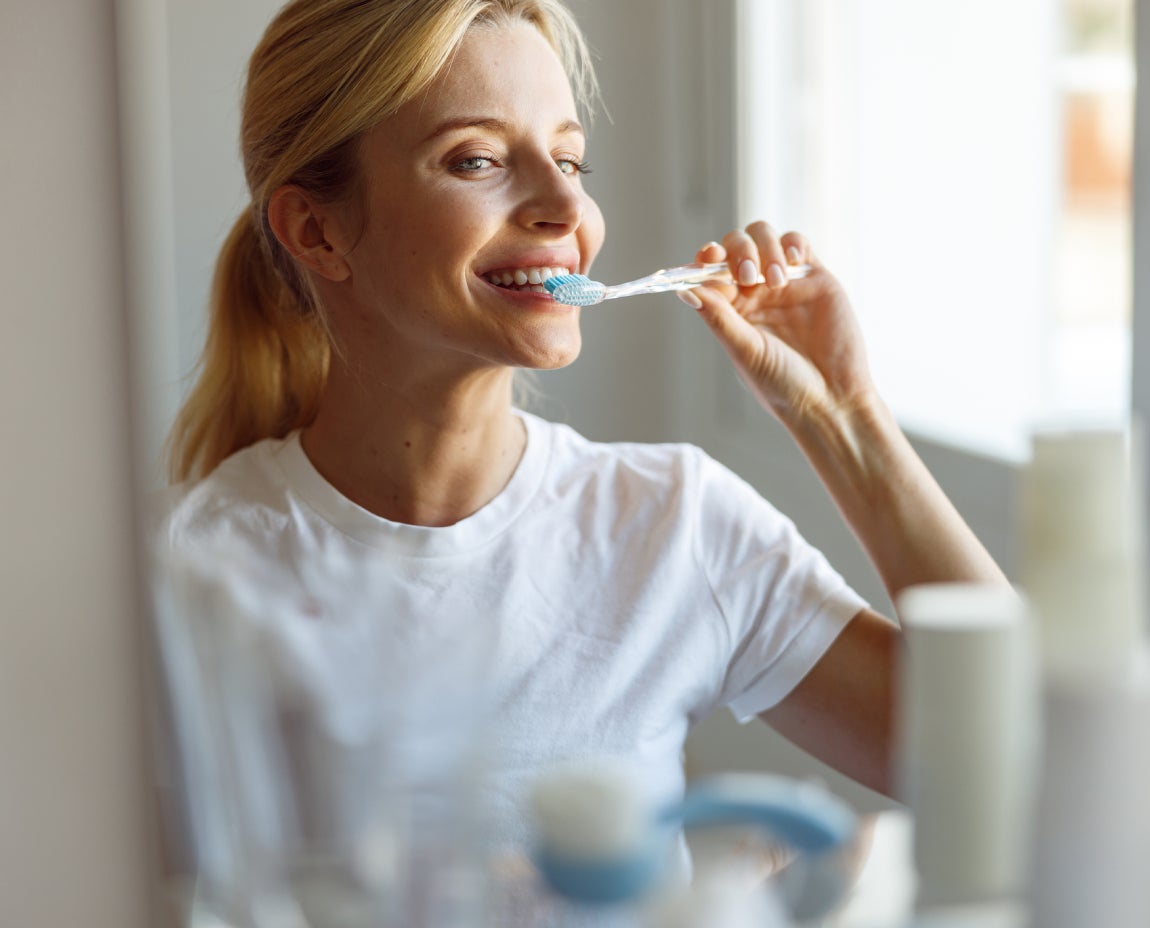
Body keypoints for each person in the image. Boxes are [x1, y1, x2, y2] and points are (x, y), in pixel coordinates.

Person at [155, 0, 1007, 921]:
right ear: (318, 232)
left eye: (568, 159)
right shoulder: (197, 575)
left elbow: (1006, 775)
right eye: (476, 159)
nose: (566, 208)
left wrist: (843, 418)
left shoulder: (673, 525)